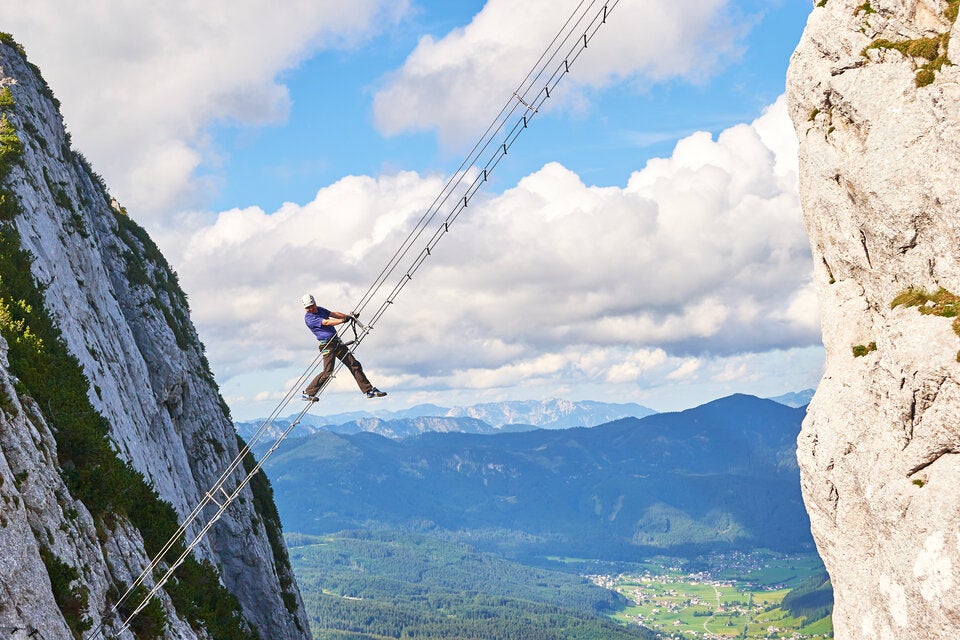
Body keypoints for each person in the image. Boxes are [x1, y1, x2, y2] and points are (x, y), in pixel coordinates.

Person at [300, 293, 386, 400]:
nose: (311, 309)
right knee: (328, 372)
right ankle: (308, 392)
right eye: (308, 308)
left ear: (315, 303)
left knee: (354, 364)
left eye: (312, 306)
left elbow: (334, 314)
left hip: (336, 342)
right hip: (327, 345)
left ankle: (369, 390)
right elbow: (326, 322)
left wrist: (347, 317)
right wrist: (342, 321)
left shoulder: (320, 309)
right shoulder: (309, 318)